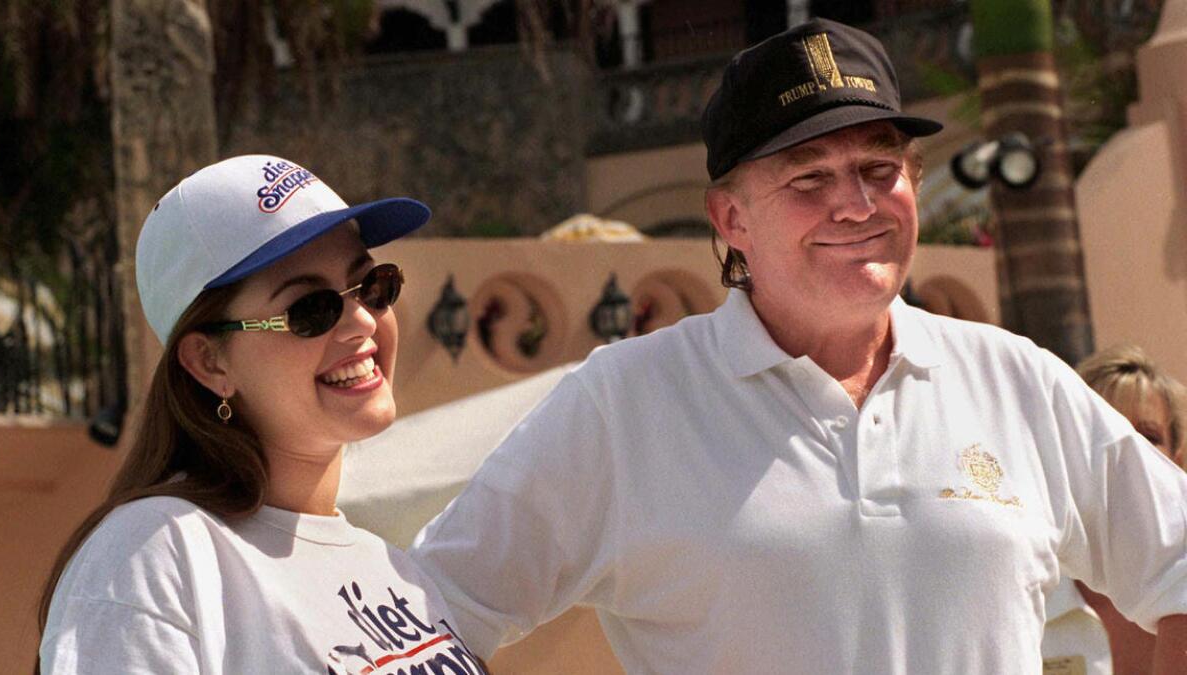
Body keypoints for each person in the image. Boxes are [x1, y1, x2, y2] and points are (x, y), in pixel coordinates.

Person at [408, 18, 1187, 674]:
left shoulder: (1016, 378)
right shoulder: (625, 402)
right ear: (731, 219)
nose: (857, 204)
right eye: (808, 178)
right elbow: (428, 609)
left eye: (880, 168)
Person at [38, 155, 484, 675]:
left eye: (372, 285)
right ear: (209, 362)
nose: (362, 320)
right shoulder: (154, 553)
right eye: (310, 309)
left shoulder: (391, 569)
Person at [1042, 344, 1187, 675]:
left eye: (1147, 437)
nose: (1129, 458)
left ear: (1176, 459)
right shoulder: (1027, 592)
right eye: (1105, 437)